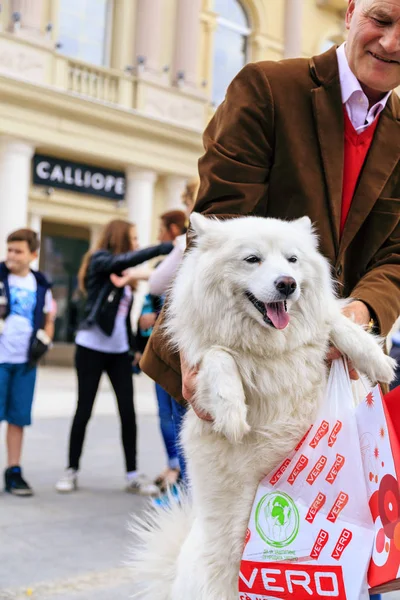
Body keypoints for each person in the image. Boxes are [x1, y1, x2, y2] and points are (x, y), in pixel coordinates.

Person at [55, 219, 173, 495]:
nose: (136, 243)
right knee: (84, 409)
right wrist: (165, 248)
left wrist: (133, 348)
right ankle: (71, 471)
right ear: (119, 238)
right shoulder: (100, 261)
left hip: (118, 352)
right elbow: (129, 259)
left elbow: (122, 317)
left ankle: (132, 474)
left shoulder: (123, 274)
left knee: (128, 412)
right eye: (132, 238)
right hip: (90, 349)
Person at [0, 229, 54, 496]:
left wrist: (43, 342)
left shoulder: (41, 284)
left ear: (33, 255)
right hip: (0, 360)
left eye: (18, 251)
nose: (11, 255)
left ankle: (14, 471)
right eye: (9, 249)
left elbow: (49, 319)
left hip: (25, 363)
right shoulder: (0, 277)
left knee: (18, 419)